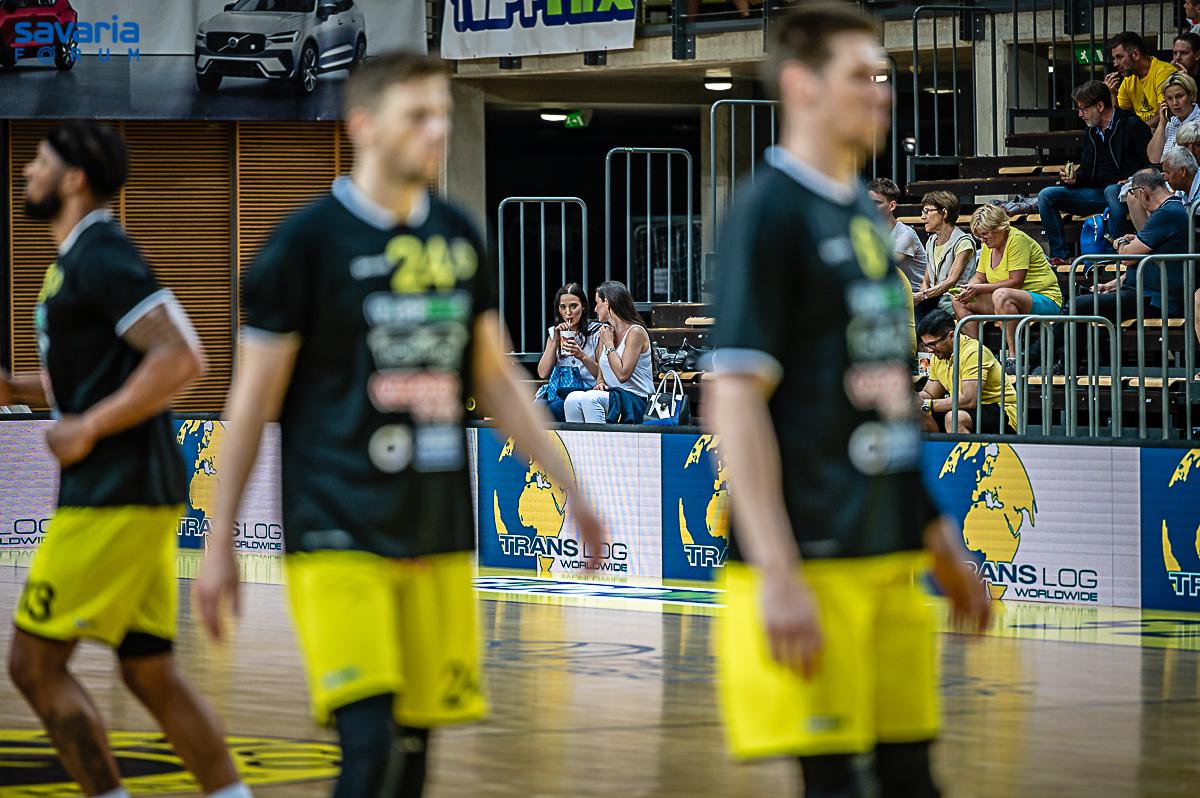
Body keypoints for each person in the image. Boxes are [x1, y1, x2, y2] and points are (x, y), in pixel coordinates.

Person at [193, 54, 606, 798]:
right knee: (371, 749)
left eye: (442, 114)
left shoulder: (457, 236)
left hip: (435, 530)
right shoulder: (307, 242)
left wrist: (572, 491)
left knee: (413, 758)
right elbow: (250, 402)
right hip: (336, 527)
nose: (436, 130)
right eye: (417, 116)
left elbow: (497, 381)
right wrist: (219, 540)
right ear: (364, 126)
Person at [706, 4, 990, 798]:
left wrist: (938, 538)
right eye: (860, 76)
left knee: (912, 778)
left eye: (884, 77)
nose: (881, 92)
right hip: (812, 557)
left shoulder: (864, 223)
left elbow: (887, 405)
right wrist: (777, 570)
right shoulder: (767, 211)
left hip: (886, 554)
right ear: (802, 86)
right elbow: (734, 402)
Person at [5, 122, 250, 798]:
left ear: (74, 178)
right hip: (137, 489)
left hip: (113, 491)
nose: (27, 171)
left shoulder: (99, 252)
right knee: (149, 672)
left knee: (33, 665)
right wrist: (16, 389)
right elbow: (98, 374)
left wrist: (87, 427)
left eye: (40, 161)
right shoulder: (72, 262)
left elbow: (183, 357)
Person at [1047, 168, 1193, 374]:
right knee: (1084, 302)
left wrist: (1122, 241)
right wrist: (1113, 284)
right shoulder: (1168, 211)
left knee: (1078, 305)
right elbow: (1144, 260)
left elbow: (1127, 257)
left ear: (1142, 193)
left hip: (1154, 299)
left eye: (1133, 195)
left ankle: (1034, 357)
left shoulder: (1167, 213)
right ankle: (1065, 364)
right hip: (1142, 293)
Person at [1037, 80, 1151, 263]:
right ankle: (1060, 255)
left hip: (1126, 192)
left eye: (1084, 109)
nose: (1080, 115)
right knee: (1046, 195)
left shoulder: (1131, 125)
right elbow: (1088, 171)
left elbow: (1150, 164)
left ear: (1100, 106)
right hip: (1096, 194)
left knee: (1112, 191)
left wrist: (1132, 180)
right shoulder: (1091, 133)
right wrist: (1075, 178)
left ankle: (1121, 254)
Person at [953, 204, 1063, 371]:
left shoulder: (1017, 239)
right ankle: (976, 355)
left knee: (1001, 295)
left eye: (985, 234)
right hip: (1007, 300)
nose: (982, 239)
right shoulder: (988, 246)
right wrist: (968, 288)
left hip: (1044, 299)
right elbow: (979, 278)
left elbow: (1015, 282)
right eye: (979, 236)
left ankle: (1014, 357)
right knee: (959, 301)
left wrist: (979, 289)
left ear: (999, 227)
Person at [563, 280, 655, 424]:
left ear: (607, 302)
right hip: (614, 397)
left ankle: (600, 439)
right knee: (572, 399)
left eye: (597, 303)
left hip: (637, 400)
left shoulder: (635, 332)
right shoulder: (605, 332)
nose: (595, 309)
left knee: (590, 399)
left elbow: (623, 375)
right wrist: (600, 382)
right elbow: (601, 373)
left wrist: (609, 344)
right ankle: (581, 440)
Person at [916, 309, 1018, 434]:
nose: (929, 350)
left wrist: (927, 405)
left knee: (954, 418)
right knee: (917, 416)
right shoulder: (938, 356)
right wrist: (913, 399)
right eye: (926, 345)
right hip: (970, 410)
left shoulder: (973, 352)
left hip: (1001, 411)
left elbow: (969, 400)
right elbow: (929, 393)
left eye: (932, 344)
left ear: (951, 336)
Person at [534, 283, 601, 421]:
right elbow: (543, 373)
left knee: (555, 408)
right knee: (538, 408)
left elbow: (601, 374)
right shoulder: (555, 332)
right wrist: (555, 342)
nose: (568, 312)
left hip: (586, 391)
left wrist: (581, 356)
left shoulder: (596, 332)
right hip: (558, 390)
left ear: (583, 306)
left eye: (573, 306)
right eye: (563, 307)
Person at [914, 190, 977, 321]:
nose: (922, 217)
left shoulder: (963, 242)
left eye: (927, 211)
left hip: (955, 300)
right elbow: (926, 280)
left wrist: (923, 296)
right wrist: (923, 292)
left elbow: (951, 281)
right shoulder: (931, 241)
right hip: (934, 299)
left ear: (944, 213)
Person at [1105, 31, 1178, 128]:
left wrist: (1137, 130)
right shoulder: (1129, 79)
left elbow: (1164, 115)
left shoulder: (1163, 72)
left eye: (1119, 57)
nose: (1115, 64)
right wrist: (1112, 94)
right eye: (1114, 59)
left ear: (1136, 54)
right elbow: (1118, 120)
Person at [867, 177, 927, 292]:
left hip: (916, 296)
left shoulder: (906, 234)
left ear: (892, 206)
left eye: (877, 203)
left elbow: (885, 267)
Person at [1149, 72, 1200, 163]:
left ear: (1191, 95)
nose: (1175, 103)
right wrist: (1162, 123)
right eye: (1169, 98)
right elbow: (1154, 159)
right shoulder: (1169, 123)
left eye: (1179, 96)